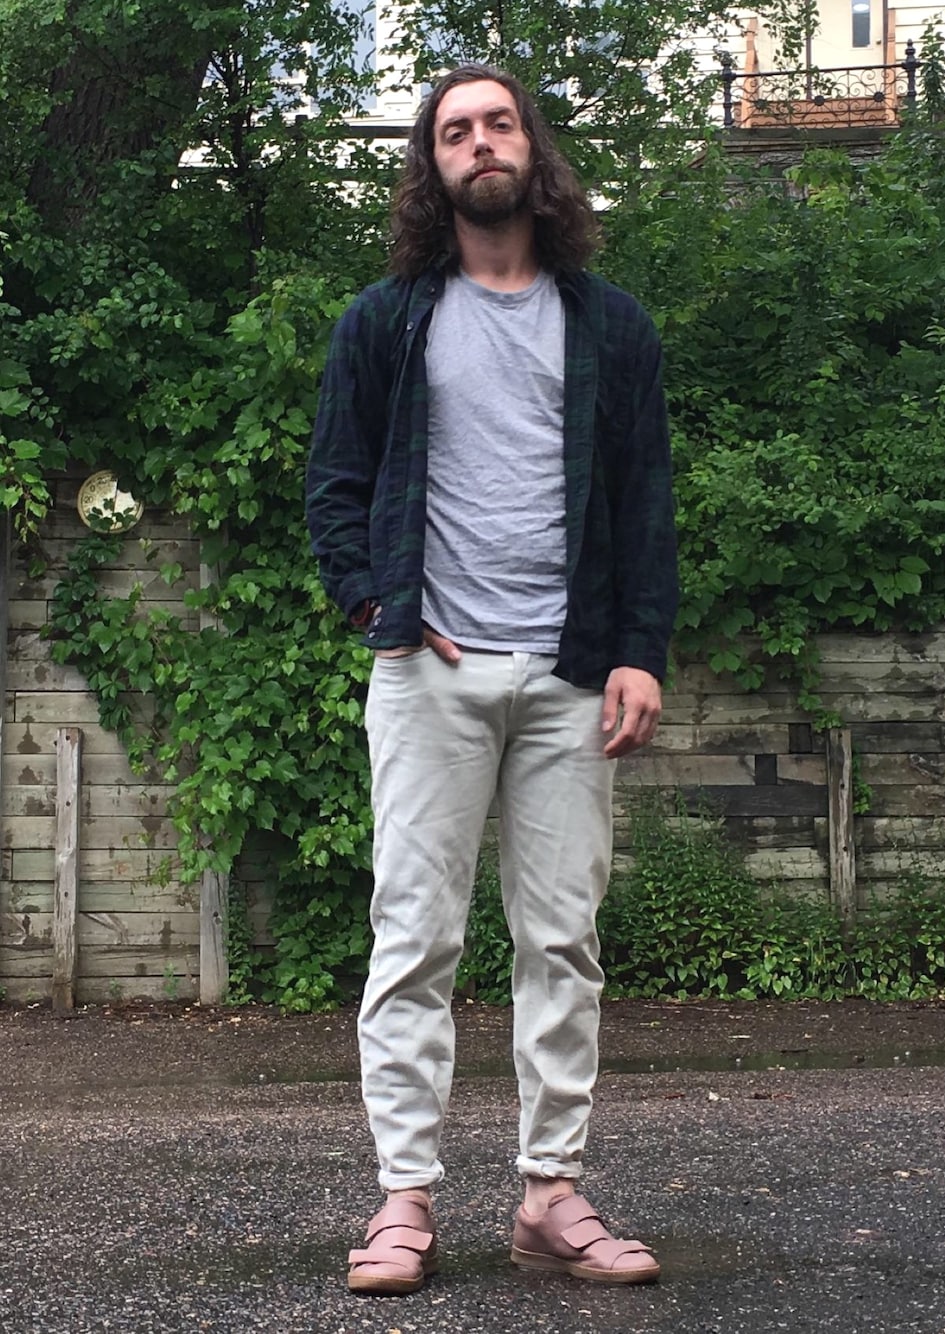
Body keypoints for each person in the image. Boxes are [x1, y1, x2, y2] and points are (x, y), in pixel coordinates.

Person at [306, 62, 678, 1295]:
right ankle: (404, 1198)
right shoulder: (385, 321)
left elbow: (643, 502)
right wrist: (379, 607)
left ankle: (549, 1194)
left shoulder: (610, 326)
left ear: (532, 148)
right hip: (428, 671)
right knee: (414, 935)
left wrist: (638, 649)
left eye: (498, 123)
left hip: (570, 673)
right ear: (433, 164)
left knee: (561, 938)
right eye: (454, 130)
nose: (479, 143)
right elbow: (335, 487)